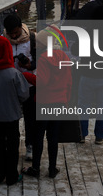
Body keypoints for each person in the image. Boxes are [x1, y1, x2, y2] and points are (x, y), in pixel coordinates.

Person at [22, 26, 72, 178]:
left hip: (44, 103)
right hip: (59, 103)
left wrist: (25, 75)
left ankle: (35, 168)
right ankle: (52, 168)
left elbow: (42, 82)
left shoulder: (44, 58)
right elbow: (69, 83)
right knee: (53, 138)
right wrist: (66, 102)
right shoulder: (65, 56)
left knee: (38, 136)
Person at [0, 36, 29, 185]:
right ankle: (12, 177)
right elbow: (24, 94)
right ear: (8, 52)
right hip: (11, 116)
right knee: (13, 146)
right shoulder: (14, 74)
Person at [73, 2, 103, 145]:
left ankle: (81, 135)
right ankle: (99, 136)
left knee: (83, 106)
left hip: (87, 76)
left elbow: (75, 51)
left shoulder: (87, 34)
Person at [3, 14, 36, 161]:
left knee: (30, 117)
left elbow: (42, 60)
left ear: (21, 27)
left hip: (29, 84)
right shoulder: (3, 40)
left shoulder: (33, 38)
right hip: (10, 85)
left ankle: (30, 145)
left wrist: (30, 65)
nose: (14, 36)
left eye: (16, 32)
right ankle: (12, 145)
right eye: (11, 34)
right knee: (11, 118)